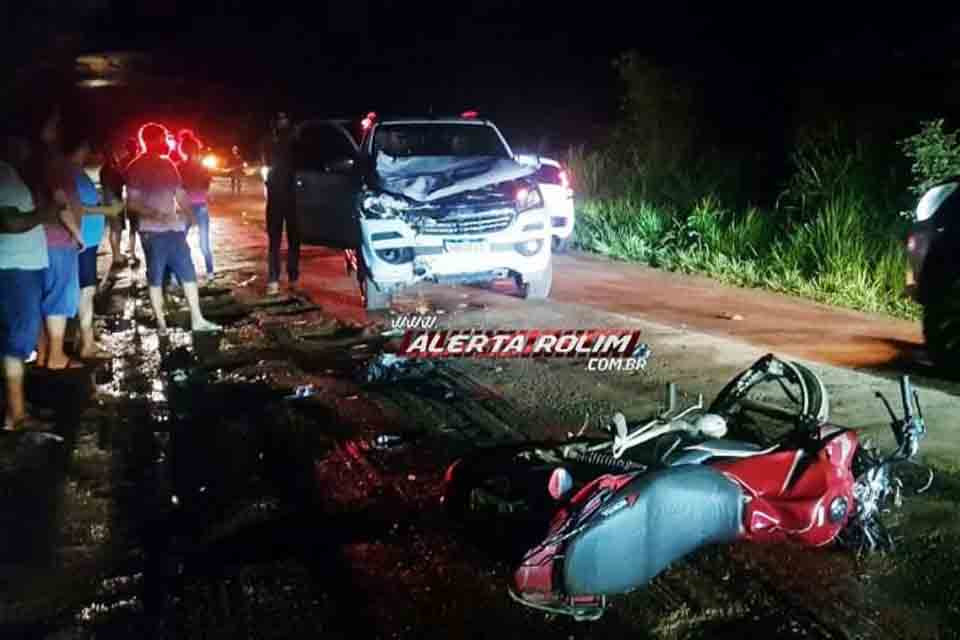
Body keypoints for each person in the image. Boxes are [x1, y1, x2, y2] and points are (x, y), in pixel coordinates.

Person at [124, 123, 220, 334]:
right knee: (156, 276)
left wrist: (190, 214)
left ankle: (197, 319)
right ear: (149, 141)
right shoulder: (135, 167)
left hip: (174, 229)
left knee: (188, 272)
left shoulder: (168, 164)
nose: (165, 143)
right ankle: (161, 325)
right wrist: (155, 213)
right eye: (161, 139)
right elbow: (131, 202)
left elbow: (179, 193)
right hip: (151, 231)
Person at [0, 134, 67, 430]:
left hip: (22, 266)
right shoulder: (3, 174)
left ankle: (16, 407)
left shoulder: (12, 174)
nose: (27, 149)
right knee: (19, 338)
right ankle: (16, 416)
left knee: (18, 334)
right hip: (15, 268)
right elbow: (10, 222)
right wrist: (47, 213)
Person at [28, 107, 86, 370]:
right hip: (59, 241)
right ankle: (56, 357)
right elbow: (62, 203)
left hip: (37, 241)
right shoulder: (56, 164)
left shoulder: (32, 162)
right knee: (59, 298)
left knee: (41, 299)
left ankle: (42, 354)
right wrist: (78, 234)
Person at [67, 133, 123, 359]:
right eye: (88, 149)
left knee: (83, 291)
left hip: (86, 242)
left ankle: (81, 337)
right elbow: (74, 206)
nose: (93, 154)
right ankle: (87, 344)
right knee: (85, 292)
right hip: (83, 243)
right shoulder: (70, 173)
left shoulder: (77, 173)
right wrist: (106, 211)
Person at [261, 111, 298, 295]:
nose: (283, 122)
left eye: (285, 118)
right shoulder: (270, 141)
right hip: (276, 197)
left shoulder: (296, 140)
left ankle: (292, 277)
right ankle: (274, 279)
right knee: (274, 241)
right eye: (280, 118)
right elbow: (266, 166)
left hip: (293, 197)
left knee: (293, 240)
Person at [177, 134, 215, 283]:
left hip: (186, 207)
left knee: (179, 242)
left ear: (183, 150)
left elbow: (178, 188)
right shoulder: (203, 167)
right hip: (201, 206)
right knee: (204, 243)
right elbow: (206, 187)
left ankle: (178, 275)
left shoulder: (179, 166)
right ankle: (210, 271)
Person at [103, 138, 140, 269]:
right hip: (117, 201)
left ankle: (124, 254)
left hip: (121, 199)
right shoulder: (111, 168)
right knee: (119, 228)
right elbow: (119, 182)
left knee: (121, 228)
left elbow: (122, 180)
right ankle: (121, 255)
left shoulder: (119, 164)